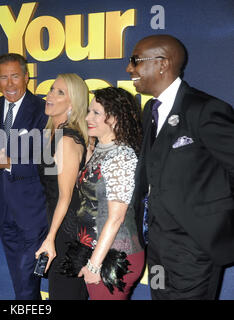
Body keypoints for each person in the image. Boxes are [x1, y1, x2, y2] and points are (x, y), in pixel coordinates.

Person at [128, 34, 234, 299]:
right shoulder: (150, 109)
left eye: (135, 61)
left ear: (162, 63)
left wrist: (215, 223)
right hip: (156, 244)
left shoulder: (205, 109)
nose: (129, 69)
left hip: (194, 246)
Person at [0, 53, 48, 300]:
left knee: (27, 280)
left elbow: (46, 161)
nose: (9, 84)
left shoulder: (42, 109)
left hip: (33, 210)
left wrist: (8, 164)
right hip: (2, 208)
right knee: (19, 279)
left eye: (15, 76)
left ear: (26, 77)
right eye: (3, 78)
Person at [75, 87, 144, 300]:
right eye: (89, 111)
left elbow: (116, 218)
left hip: (115, 257)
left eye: (96, 113)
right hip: (98, 252)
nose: (87, 117)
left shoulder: (121, 156)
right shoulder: (101, 149)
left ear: (114, 118)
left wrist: (94, 266)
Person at [34, 73, 89, 300]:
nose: (50, 96)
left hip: (69, 231)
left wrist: (50, 238)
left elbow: (65, 197)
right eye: (51, 89)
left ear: (73, 103)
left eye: (60, 92)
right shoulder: (51, 134)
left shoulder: (66, 140)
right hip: (57, 223)